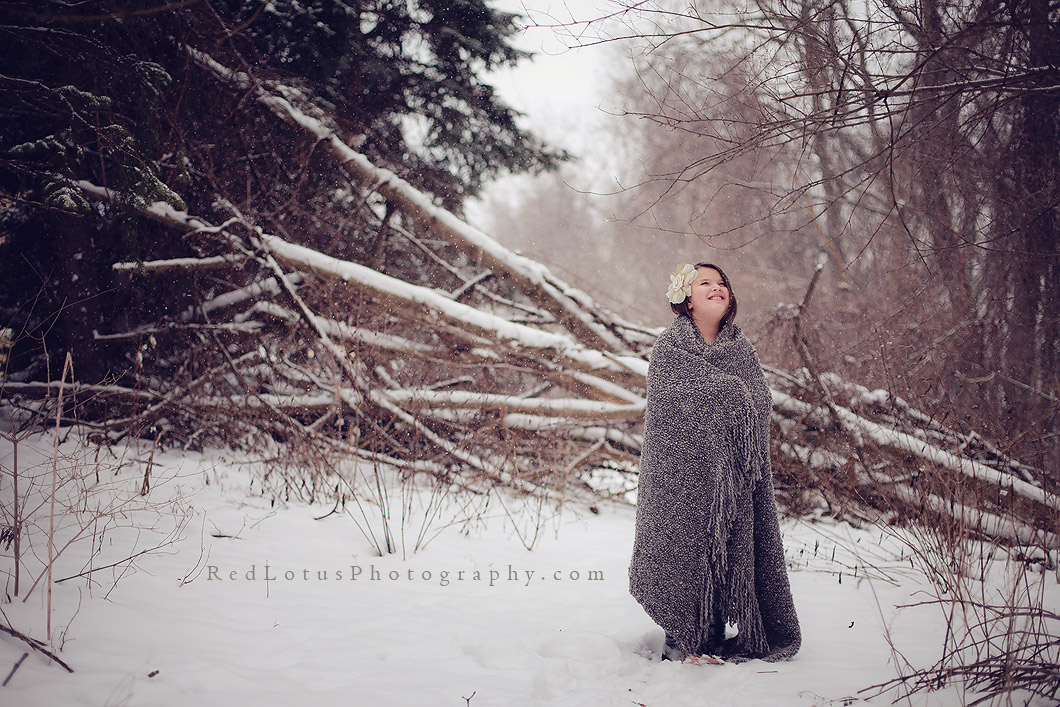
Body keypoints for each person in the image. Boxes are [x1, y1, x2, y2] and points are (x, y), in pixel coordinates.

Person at [629, 262, 801, 663]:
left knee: (728, 549)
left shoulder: (742, 351)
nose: (717, 287)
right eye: (705, 282)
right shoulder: (670, 351)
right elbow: (670, 415)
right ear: (686, 299)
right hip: (680, 476)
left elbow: (757, 403)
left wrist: (733, 402)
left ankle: (718, 626)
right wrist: (727, 398)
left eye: (722, 282)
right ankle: (683, 633)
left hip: (735, 480)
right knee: (684, 545)